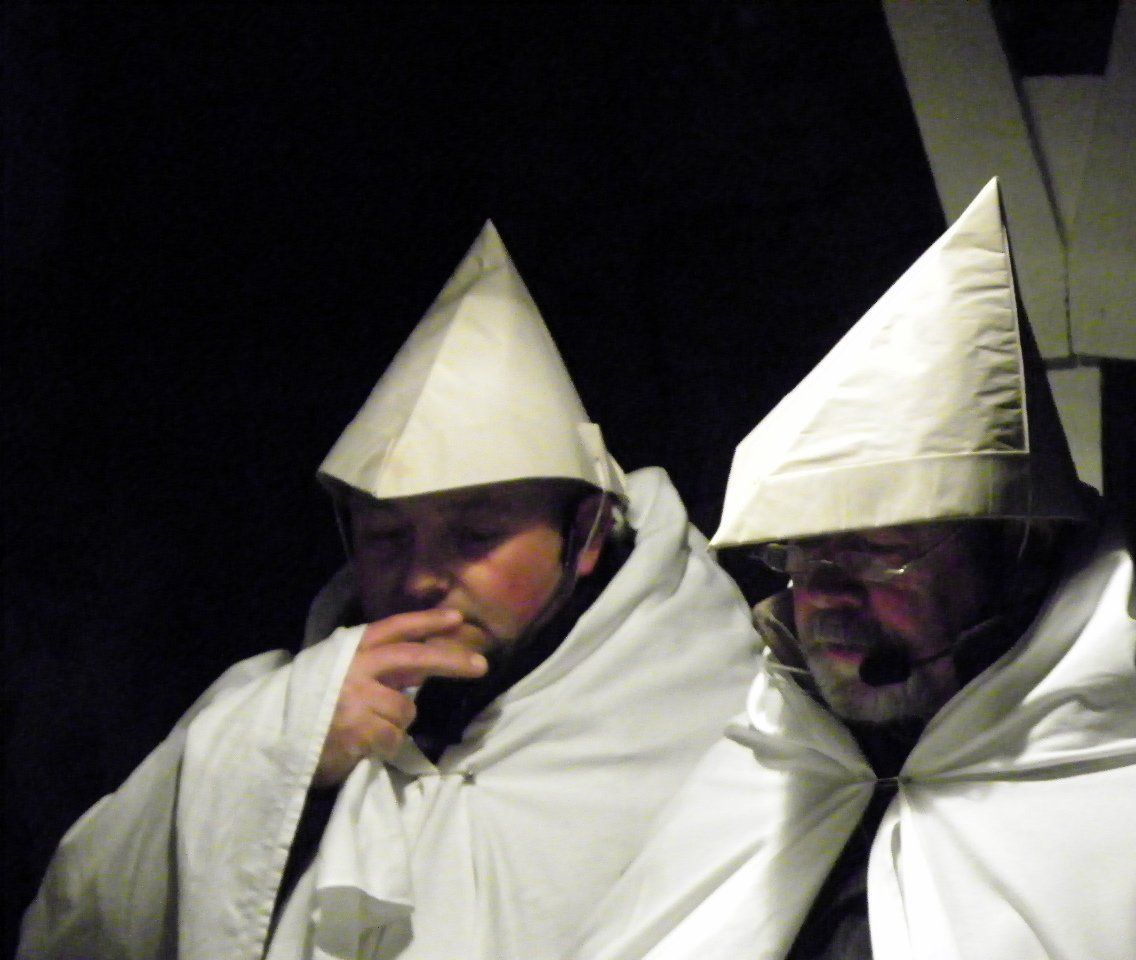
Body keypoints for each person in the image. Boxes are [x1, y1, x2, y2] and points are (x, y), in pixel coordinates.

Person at [569, 179, 1136, 960]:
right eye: (798, 549)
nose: (822, 593)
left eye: (875, 548)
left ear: (1020, 548)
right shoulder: (765, 765)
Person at [19, 223, 760, 960]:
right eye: (385, 537)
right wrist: (285, 758)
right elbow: (76, 926)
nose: (420, 576)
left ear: (587, 533)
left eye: (476, 535)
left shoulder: (708, 706)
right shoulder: (269, 707)